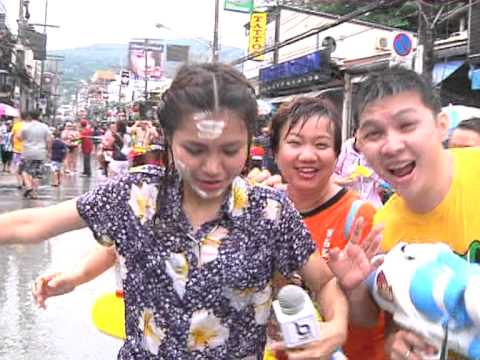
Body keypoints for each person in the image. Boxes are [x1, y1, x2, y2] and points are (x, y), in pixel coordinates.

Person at [1, 63, 359, 359]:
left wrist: (337, 324)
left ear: (250, 142)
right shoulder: (136, 195)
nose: (213, 167)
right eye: (195, 149)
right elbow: (33, 222)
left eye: (230, 150)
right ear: (168, 139)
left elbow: (325, 281)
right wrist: (76, 275)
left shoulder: (270, 212)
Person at [331, 66, 480, 360]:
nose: (392, 145)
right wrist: (396, 343)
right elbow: (390, 325)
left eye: (407, 126)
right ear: (360, 145)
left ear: (441, 126)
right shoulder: (383, 229)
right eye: (374, 133)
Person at [260, 96, 384, 360]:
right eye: (294, 143)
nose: (308, 155)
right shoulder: (264, 211)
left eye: (322, 145)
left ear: (336, 154)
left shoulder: (361, 217)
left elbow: (371, 319)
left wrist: (352, 288)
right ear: (275, 152)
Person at [335, 135, 383, 208]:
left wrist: (373, 175)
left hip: (371, 202)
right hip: (346, 200)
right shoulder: (344, 149)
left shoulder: (375, 151)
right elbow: (330, 176)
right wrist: (342, 181)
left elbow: (384, 179)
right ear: (356, 134)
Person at [20, 111, 51, 199]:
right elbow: (49, 139)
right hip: (40, 152)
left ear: (30, 116)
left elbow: (20, 137)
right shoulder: (44, 127)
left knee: (24, 170)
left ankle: (29, 187)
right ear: (39, 116)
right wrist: (48, 151)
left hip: (28, 152)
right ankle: (34, 194)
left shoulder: (25, 126)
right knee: (37, 174)